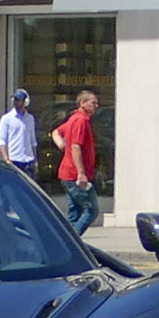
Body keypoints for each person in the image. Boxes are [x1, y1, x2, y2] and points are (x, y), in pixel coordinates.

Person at [52, 88, 100, 235]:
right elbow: (76, 147)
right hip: (74, 175)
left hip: (67, 174)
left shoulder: (74, 119)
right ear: (83, 103)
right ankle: (74, 244)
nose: (96, 106)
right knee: (91, 209)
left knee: (75, 213)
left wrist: (60, 142)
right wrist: (81, 173)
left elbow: (56, 132)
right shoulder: (80, 120)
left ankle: (65, 242)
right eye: (93, 103)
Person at [0, 88, 38, 177]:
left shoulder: (30, 119)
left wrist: (35, 160)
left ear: (25, 102)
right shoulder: (6, 119)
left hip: (28, 161)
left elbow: (32, 141)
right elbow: (1, 141)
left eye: (19, 100)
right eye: (15, 99)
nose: (16, 102)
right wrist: (6, 159)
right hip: (14, 160)